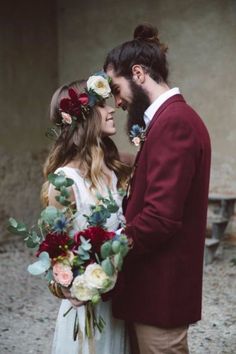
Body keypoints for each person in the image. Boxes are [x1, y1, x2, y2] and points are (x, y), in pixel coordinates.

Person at [104, 24, 211, 354]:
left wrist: (105, 250)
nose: (117, 101)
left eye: (116, 88)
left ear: (138, 73)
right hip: (151, 291)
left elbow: (161, 218)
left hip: (161, 293)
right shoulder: (165, 120)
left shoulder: (174, 122)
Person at [41, 74, 131, 354]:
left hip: (120, 305)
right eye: (103, 105)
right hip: (87, 310)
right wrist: (70, 285)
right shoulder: (63, 183)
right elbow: (55, 254)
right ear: (84, 117)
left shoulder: (117, 170)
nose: (112, 108)